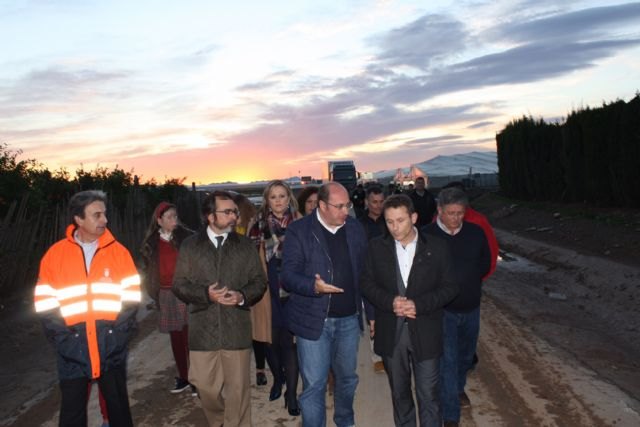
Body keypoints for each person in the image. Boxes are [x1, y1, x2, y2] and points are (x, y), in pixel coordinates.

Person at [34, 190, 141, 427]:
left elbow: (132, 299)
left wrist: (117, 337)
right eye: (97, 215)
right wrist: (64, 339)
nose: (104, 220)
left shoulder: (119, 253)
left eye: (105, 214)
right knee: (72, 413)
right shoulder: (55, 255)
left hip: (110, 346)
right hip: (73, 348)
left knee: (118, 410)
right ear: (78, 219)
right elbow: (45, 304)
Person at [360, 194, 458, 427]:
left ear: (413, 217)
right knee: (400, 394)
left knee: (429, 394)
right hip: (391, 332)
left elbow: (451, 287)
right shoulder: (376, 247)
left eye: (400, 220)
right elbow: (366, 283)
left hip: (426, 330)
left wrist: (419, 305)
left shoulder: (437, 247)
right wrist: (389, 301)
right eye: (389, 221)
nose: (394, 227)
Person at [172, 191, 266, 427]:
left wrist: (242, 296)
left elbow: (259, 282)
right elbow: (179, 284)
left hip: (237, 329)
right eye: (228, 212)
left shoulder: (245, 245)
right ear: (210, 216)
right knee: (204, 387)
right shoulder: (190, 246)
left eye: (235, 211)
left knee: (238, 392)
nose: (234, 216)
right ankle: (219, 421)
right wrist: (206, 294)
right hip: (203, 331)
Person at [281, 182, 368, 427]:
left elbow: (365, 273)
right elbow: (288, 275)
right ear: (321, 205)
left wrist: (370, 314)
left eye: (347, 205)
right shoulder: (299, 230)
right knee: (315, 385)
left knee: (347, 379)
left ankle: (345, 421)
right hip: (312, 321)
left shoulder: (354, 228)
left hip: (349, 319)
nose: (345, 211)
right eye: (339, 206)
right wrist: (313, 286)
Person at [422, 188, 491, 427]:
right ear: (439, 211)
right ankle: (451, 416)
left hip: (471, 307)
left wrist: (468, 281)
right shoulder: (426, 236)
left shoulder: (475, 233)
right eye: (451, 213)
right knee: (447, 361)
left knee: (465, 356)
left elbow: (485, 263)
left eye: (460, 213)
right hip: (444, 312)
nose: (456, 218)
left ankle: (458, 388)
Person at [248, 180, 302, 416]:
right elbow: (250, 259)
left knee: (289, 343)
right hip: (265, 288)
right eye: (274, 197)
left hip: (293, 289)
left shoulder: (300, 222)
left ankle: (291, 394)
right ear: (267, 200)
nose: (279, 201)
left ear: (289, 197)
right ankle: (277, 379)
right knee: (269, 341)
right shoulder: (257, 225)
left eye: (282, 196)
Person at [140, 201, 195, 395]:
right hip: (165, 293)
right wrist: (153, 291)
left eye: (175, 216)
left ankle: (196, 378)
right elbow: (149, 270)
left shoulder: (187, 238)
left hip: (185, 291)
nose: (174, 220)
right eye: (169, 217)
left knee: (190, 336)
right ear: (159, 220)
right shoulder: (151, 244)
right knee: (176, 337)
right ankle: (184, 377)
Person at [232, 193, 272, 388]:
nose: (235, 216)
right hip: (236, 283)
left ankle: (260, 369)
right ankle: (253, 369)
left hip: (251, 283)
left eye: (237, 211)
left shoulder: (253, 227)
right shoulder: (230, 230)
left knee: (258, 328)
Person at [357, 185, 387, 374]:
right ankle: (377, 356)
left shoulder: (391, 221)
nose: (378, 206)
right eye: (374, 202)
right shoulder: (357, 225)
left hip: (389, 275)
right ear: (367, 202)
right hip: (367, 276)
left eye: (381, 201)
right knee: (372, 317)